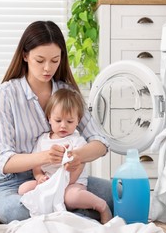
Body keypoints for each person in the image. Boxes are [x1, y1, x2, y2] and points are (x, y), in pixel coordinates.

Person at [0, 20, 112, 224]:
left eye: (55, 60)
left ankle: (62, 216)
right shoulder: (7, 94)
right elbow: (4, 161)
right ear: (25, 55)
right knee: (16, 213)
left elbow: (100, 142)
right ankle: (76, 218)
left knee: (118, 194)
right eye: (40, 60)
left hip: (64, 180)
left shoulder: (67, 93)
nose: (48, 68)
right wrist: (46, 157)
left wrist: (77, 156)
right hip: (15, 183)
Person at [18, 88, 112, 224]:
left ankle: (102, 207)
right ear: (49, 118)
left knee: (71, 198)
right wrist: (39, 177)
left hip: (72, 182)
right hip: (50, 180)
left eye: (69, 122)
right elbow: (37, 164)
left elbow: (79, 165)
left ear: (78, 121)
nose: (63, 126)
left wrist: (64, 185)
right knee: (24, 189)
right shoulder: (43, 140)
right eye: (58, 120)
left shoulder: (76, 141)